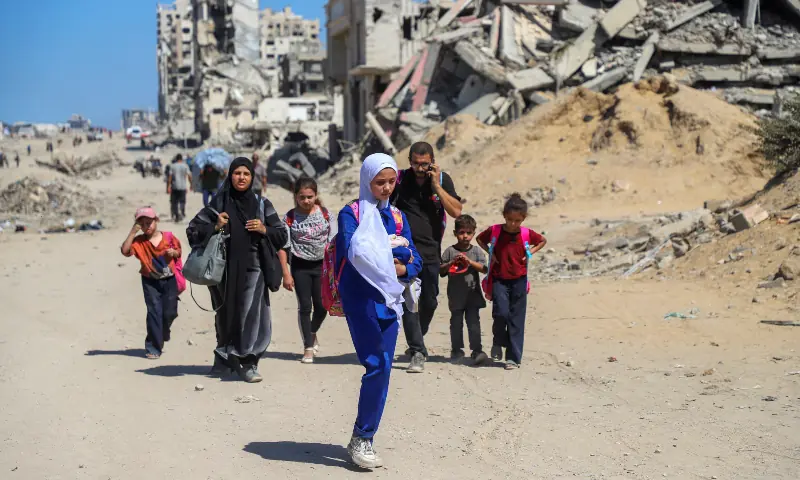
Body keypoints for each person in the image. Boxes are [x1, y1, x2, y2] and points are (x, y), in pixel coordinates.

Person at [337, 153, 422, 468]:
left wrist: (401, 264)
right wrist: (394, 257)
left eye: (390, 182)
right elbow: (356, 253)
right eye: (379, 182)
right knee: (377, 364)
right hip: (363, 300)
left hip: (390, 302)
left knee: (383, 367)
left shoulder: (397, 217)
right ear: (366, 181)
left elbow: (414, 257)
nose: (386, 188)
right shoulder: (352, 214)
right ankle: (362, 438)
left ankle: (364, 437)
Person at [186, 157, 287, 383]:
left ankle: (248, 362)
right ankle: (223, 358)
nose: (241, 178)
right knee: (224, 314)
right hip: (223, 271)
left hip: (255, 270)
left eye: (246, 174)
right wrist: (214, 226)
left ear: (252, 178)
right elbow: (192, 231)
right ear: (230, 176)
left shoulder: (262, 205)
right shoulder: (218, 204)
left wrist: (264, 229)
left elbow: (282, 235)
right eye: (237, 173)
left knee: (251, 315)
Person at [391, 141, 462, 373]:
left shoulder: (442, 180)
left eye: (425, 164)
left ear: (432, 161)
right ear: (409, 161)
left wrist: (436, 186)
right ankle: (418, 351)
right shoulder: (400, 180)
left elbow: (456, 211)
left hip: (432, 252)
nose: (420, 168)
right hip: (407, 252)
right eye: (416, 164)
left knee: (430, 301)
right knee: (410, 300)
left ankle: (417, 337)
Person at [476, 194, 547, 370]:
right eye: (509, 220)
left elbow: (542, 241)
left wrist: (530, 252)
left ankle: (513, 358)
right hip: (499, 280)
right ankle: (498, 341)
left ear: (523, 218)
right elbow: (479, 239)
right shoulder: (495, 231)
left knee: (516, 319)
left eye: (517, 220)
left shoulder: (526, 233)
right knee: (500, 313)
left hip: (519, 281)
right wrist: (490, 255)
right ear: (504, 216)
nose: (513, 224)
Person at [277, 177, 331, 364]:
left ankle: (312, 331)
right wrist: (286, 273)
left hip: (322, 267)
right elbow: (283, 248)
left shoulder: (325, 214)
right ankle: (308, 347)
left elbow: (333, 244)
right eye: (302, 197)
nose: (306, 201)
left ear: (316, 195)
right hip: (300, 267)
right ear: (296, 197)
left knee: (322, 306)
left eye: (310, 196)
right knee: (305, 307)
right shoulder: (289, 218)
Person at [120, 207, 181, 359]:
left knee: (170, 312)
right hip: (150, 281)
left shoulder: (168, 237)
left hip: (169, 280)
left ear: (157, 221)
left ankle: (163, 332)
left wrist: (173, 253)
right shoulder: (139, 242)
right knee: (154, 311)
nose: (147, 226)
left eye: (150, 222)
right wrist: (133, 232)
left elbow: (179, 252)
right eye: (143, 224)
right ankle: (153, 346)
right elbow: (125, 251)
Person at [440, 214, 489, 364]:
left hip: (472, 295)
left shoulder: (476, 252)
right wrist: (451, 263)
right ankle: (456, 349)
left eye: (468, 233)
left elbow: (484, 269)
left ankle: (476, 350)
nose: (465, 236)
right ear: (455, 233)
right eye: (461, 232)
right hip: (455, 296)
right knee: (456, 323)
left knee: (474, 323)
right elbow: (441, 271)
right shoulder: (450, 251)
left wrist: (469, 262)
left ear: (473, 233)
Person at [167, 154, 192, 222]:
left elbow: (170, 177)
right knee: (182, 201)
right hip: (183, 187)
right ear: (181, 159)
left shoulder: (172, 166)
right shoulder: (185, 165)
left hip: (175, 187)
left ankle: (177, 215)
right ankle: (182, 213)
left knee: (174, 202)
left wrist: (168, 186)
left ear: (176, 159)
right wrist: (191, 184)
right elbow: (189, 175)